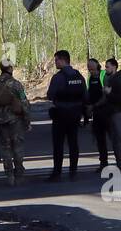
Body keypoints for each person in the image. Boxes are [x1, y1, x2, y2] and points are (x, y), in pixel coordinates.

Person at [0, 56, 30, 185]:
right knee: (17, 147)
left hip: (0, 121)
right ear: (10, 68)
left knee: (5, 148)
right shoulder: (15, 84)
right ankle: (19, 174)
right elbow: (24, 103)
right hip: (15, 121)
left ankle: (9, 175)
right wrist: (27, 120)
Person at [45, 50, 87, 180]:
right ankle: (73, 172)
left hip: (61, 115)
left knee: (58, 145)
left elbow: (50, 95)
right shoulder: (79, 76)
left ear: (63, 60)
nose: (55, 63)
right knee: (73, 143)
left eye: (56, 60)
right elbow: (85, 96)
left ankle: (57, 173)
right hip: (75, 114)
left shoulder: (58, 77)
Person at [87, 57, 111, 170]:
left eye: (91, 66)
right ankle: (103, 163)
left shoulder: (103, 76)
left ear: (97, 66)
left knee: (114, 138)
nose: (90, 69)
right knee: (100, 140)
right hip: (96, 114)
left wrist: (94, 105)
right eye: (88, 67)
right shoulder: (90, 78)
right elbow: (89, 94)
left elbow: (106, 96)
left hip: (106, 112)